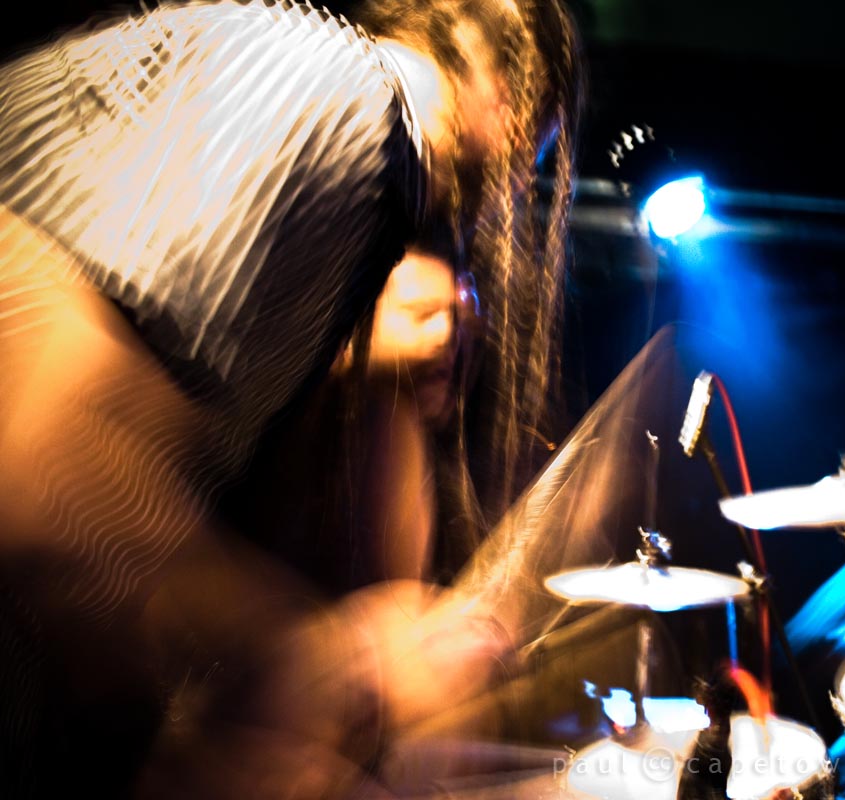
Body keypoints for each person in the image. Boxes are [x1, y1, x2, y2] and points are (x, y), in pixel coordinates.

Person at [0, 0, 582, 796]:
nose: (526, 171)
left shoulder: (352, 169)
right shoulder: (335, 92)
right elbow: (43, 476)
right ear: (495, 65)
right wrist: (347, 659)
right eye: (542, 125)